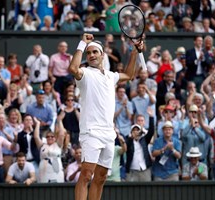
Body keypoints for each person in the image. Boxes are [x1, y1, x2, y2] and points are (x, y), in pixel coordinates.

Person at [68, 33, 141, 200]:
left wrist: (135, 52)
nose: (92, 55)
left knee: (100, 178)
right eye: (89, 53)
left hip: (108, 134)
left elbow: (129, 75)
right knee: (86, 174)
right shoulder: (84, 73)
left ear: (102, 55)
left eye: (95, 52)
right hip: (91, 132)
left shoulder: (111, 76)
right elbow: (72, 68)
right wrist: (82, 44)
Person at [125, 107, 155, 182]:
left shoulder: (144, 139)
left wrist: (151, 117)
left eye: (137, 130)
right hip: (132, 170)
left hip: (144, 169)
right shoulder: (129, 141)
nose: (136, 132)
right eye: (134, 130)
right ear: (131, 132)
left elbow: (151, 131)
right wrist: (131, 138)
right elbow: (125, 146)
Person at [33, 117, 65, 183]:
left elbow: (61, 135)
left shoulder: (58, 145)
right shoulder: (42, 145)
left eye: (52, 136)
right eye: (48, 136)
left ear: (55, 138)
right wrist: (38, 124)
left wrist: (59, 121)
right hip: (44, 170)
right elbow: (36, 137)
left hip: (56, 169)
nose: (50, 138)